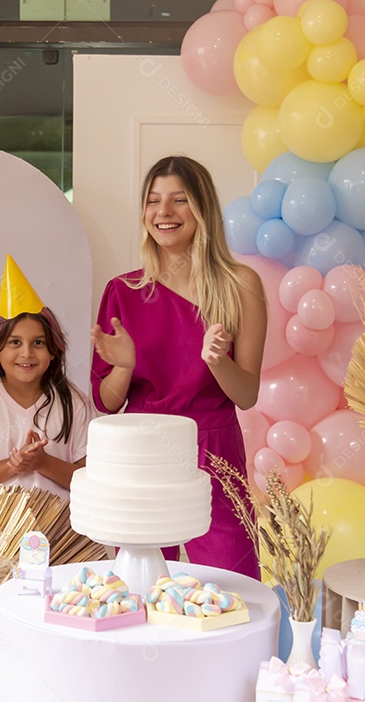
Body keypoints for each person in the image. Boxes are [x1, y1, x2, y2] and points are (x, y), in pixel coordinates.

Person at [90, 155, 267, 579]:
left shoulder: (241, 285)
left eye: (179, 200)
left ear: (202, 209)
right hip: (143, 453)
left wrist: (218, 361)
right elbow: (106, 403)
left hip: (214, 450)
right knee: (141, 588)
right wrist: (125, 368)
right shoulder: (123, 291)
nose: (163, 213)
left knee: (234, 585)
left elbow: (246, 395)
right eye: (153, 201)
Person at [0, 255, 93, 500]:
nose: (27, 353)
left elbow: (92, 480)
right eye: (15, 342)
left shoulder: (74, 403)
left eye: (38, 343)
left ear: (53, 351)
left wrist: (43, 462)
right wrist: (13, 465)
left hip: (61, 533)